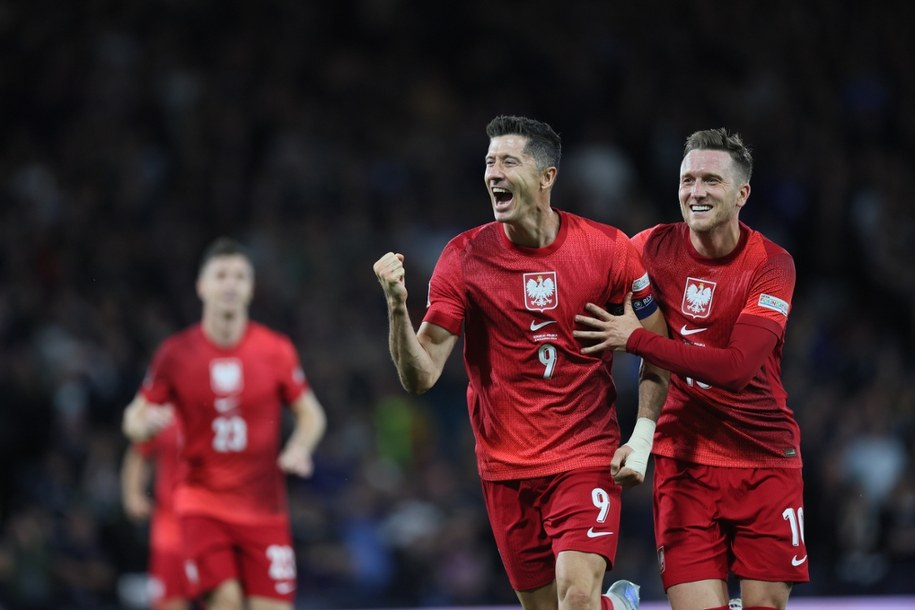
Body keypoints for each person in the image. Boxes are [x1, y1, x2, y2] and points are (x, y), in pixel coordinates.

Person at [373, 115, 670, 610]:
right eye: (489, 162)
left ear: (546, 177)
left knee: (575, 598)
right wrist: (398, 307)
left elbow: (657, 340)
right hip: (504, 467)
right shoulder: (464, 257)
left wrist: (641, 435)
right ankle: (617, 607)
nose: (493, 173)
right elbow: (421, 375)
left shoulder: (608, 249)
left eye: (508, 161)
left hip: (584, 456)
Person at [574, 128, 808, 610]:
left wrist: (634, 338)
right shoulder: (649, 249)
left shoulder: (771, 265)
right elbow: (577, 271)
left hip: (764, 459)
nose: (695, 191)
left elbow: (737, 368)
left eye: (710, 180)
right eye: (687, 180)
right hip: (685, 463)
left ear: (742, 193)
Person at [122, 237, 327, 610]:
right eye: (221, 275)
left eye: (240, 276)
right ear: (202, 286)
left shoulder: (275, 350)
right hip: (202, 504)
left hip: (265, 510)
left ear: (251, 288)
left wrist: (300, 446)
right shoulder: (176, 353)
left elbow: (311, 414)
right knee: (227, 601)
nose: (230, 284)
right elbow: (133, 417)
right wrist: (143, 426)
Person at [121, 419, 193, 610]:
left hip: (212, 524)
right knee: (169, 600)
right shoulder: (163, 412)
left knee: (222, 599)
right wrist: (133, 494)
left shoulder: (220, 405)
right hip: (170, 525)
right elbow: (139, 450)